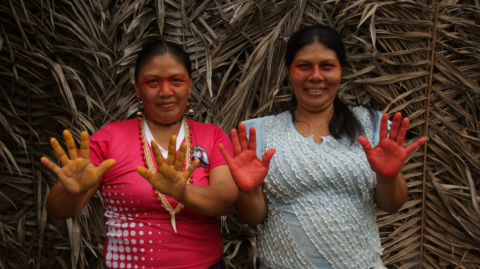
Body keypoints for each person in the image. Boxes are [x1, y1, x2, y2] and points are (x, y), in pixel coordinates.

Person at [219, 25, 425, 269]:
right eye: (304, 66)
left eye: (327, 65)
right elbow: (253, 217)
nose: (315, 75)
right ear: (289, 73)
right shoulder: (259, 133)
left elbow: (391, 205)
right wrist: (250, 191)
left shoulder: (371, 126)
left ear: (341, 71)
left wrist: (388, 178)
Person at [41, 40, 238, 269]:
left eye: (176, 80)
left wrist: (183, 192)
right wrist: (71, 192)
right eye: (152, 82)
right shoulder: (110, 138)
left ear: (190, 84)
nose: (165, 91)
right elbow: (57, 210)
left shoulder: (212, 136)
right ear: (137, 88)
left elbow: (229, 201)